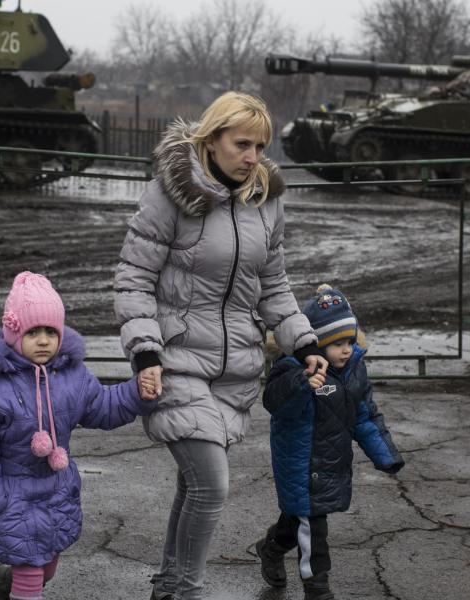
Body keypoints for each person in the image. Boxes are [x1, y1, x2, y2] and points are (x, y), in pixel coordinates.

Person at [113, 91, 329, 600]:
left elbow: (273, 284)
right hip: (176, 360)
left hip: (235, 371)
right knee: (211, 484)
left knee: (195, 486)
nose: (252, 157)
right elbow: (133, 277)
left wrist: (304, 342)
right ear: (210, 141)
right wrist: (146, 350)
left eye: (260, 146)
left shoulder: (267, 199)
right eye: (241, 144)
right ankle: (186, 591)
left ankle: (168, 587)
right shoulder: (171, 194)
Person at [0, 271, 159, 600]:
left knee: (46, 566)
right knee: (32, 571)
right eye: (33, 331)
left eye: (51, 331)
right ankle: (16, 584)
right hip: (13, 497)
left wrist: (137, 393)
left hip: (56, 493)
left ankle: (4, 582)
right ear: (13, 332)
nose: (44, 340)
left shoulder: (71, 378)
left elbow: (103, 407)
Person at [253, 284, 405, 600]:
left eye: (350, 341)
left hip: (331, 462)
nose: (346, 349)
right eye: (337, 344)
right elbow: (276, 403)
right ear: (316, 343)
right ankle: (317, 587)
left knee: (299, 519)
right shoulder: (292, 368)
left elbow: (364, 416)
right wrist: (302, 384)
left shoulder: (354, 371)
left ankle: (271, 547)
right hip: (299, 461)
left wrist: (385, 455)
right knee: (313, 526)